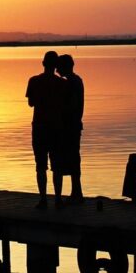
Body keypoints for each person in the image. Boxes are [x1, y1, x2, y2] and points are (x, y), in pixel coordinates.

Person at [26, 51, 66, 209]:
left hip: (40, 128)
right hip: (56, 128)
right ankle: (58, 198)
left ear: (43, 63)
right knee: (57, 166)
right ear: (56, 66)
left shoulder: (34, 81)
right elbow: (65, 105)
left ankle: (43, 199)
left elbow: (31, 103)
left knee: (40, 166)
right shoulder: (62, 83)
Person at [56, 54, 84, 204]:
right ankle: (76, 191)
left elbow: (72, 105)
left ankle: (76, 193)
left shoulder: (70, 82)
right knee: (74, 157)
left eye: (59, 67)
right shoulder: (77, 80)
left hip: (70, 126)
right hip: (74, 124)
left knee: (72, 158)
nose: (57, 70)